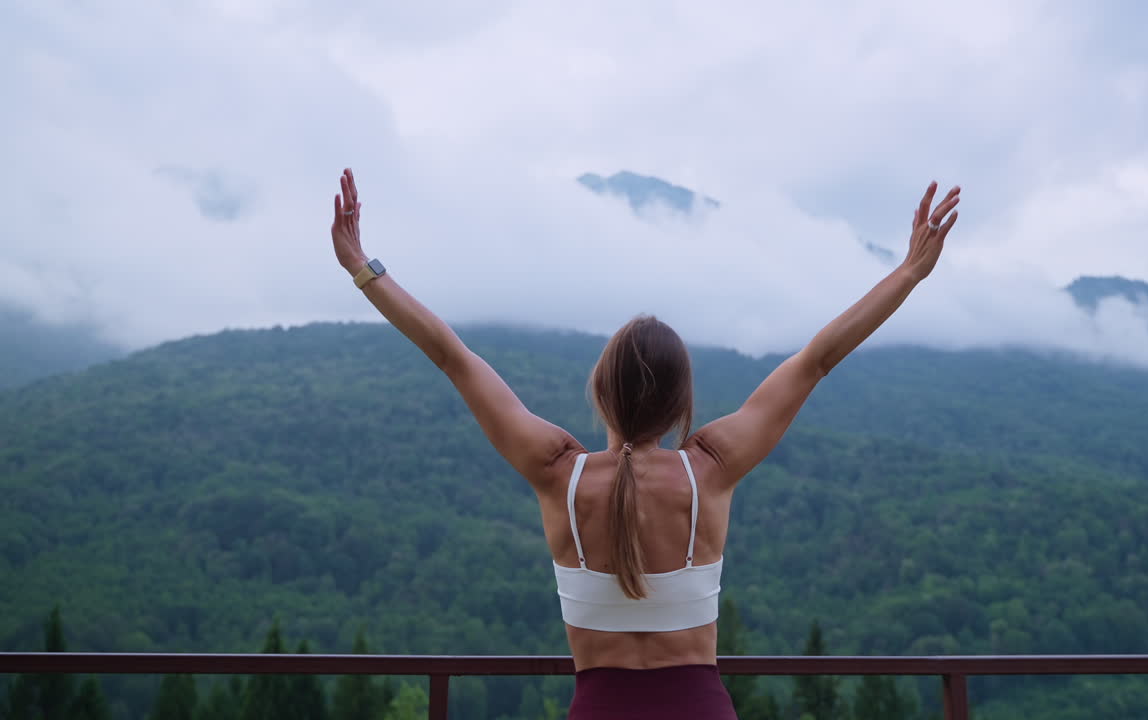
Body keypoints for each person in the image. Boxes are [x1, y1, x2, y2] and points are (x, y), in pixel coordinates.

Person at [328, 168, 959, 719]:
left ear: (600, 391)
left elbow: (453, 357)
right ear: (681, 404)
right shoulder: (708, 469)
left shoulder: (557, 471)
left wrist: (365, 268)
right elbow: (817, 360)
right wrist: (909, 271)